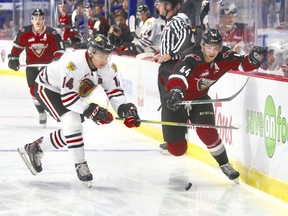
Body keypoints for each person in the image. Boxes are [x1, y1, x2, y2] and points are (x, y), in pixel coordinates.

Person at [17, 35, 141, 186]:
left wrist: (125, 109)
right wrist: (92, 111)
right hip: (48, 88)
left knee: (73, 130)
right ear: (91, 53)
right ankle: (80, 163)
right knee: (73, 125)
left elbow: (114, 91)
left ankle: (35, 148)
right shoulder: (74, 63)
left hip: (70, 93)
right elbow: (68, 98)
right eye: (101, 55)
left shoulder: (108, 67)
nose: (104, 60)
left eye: (107, 56)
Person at [160, 28, 267, 182]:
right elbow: (179, 76)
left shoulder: (224, 55)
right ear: (202, 45)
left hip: (199, 99)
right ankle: (175, 138)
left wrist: (254, 59)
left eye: (215, 47)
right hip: (177, 99)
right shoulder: (191, 57)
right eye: (209, 47)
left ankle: (224, 164)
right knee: (177, 150)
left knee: (208, 133)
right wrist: (176, 91)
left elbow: (242, 64)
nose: (212, 51)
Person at [8, 8, 65, 126]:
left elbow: (59, 50)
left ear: (44, 19)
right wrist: (13, 58)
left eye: (40, 18)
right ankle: (41, 112)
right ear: (32, 19)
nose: (38, 21)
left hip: (48, 68)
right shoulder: (24, 32)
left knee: (50, 90)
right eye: (35, 18)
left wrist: (56, 59)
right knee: (33, 91)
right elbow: (17, 47)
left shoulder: (52, 33)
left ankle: (55, 110)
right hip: (32, 68)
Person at [155, 0, 192, 152]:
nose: (158, 6)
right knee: (168, 103)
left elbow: (186, 38)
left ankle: (175, 141)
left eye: (161, 3)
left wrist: (171, 55)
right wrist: (163, 53)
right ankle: (172, 140)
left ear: (169, 6)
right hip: (167, 66)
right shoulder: (170, 22)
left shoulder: (176, 21)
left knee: (171, 103)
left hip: (172, 68)